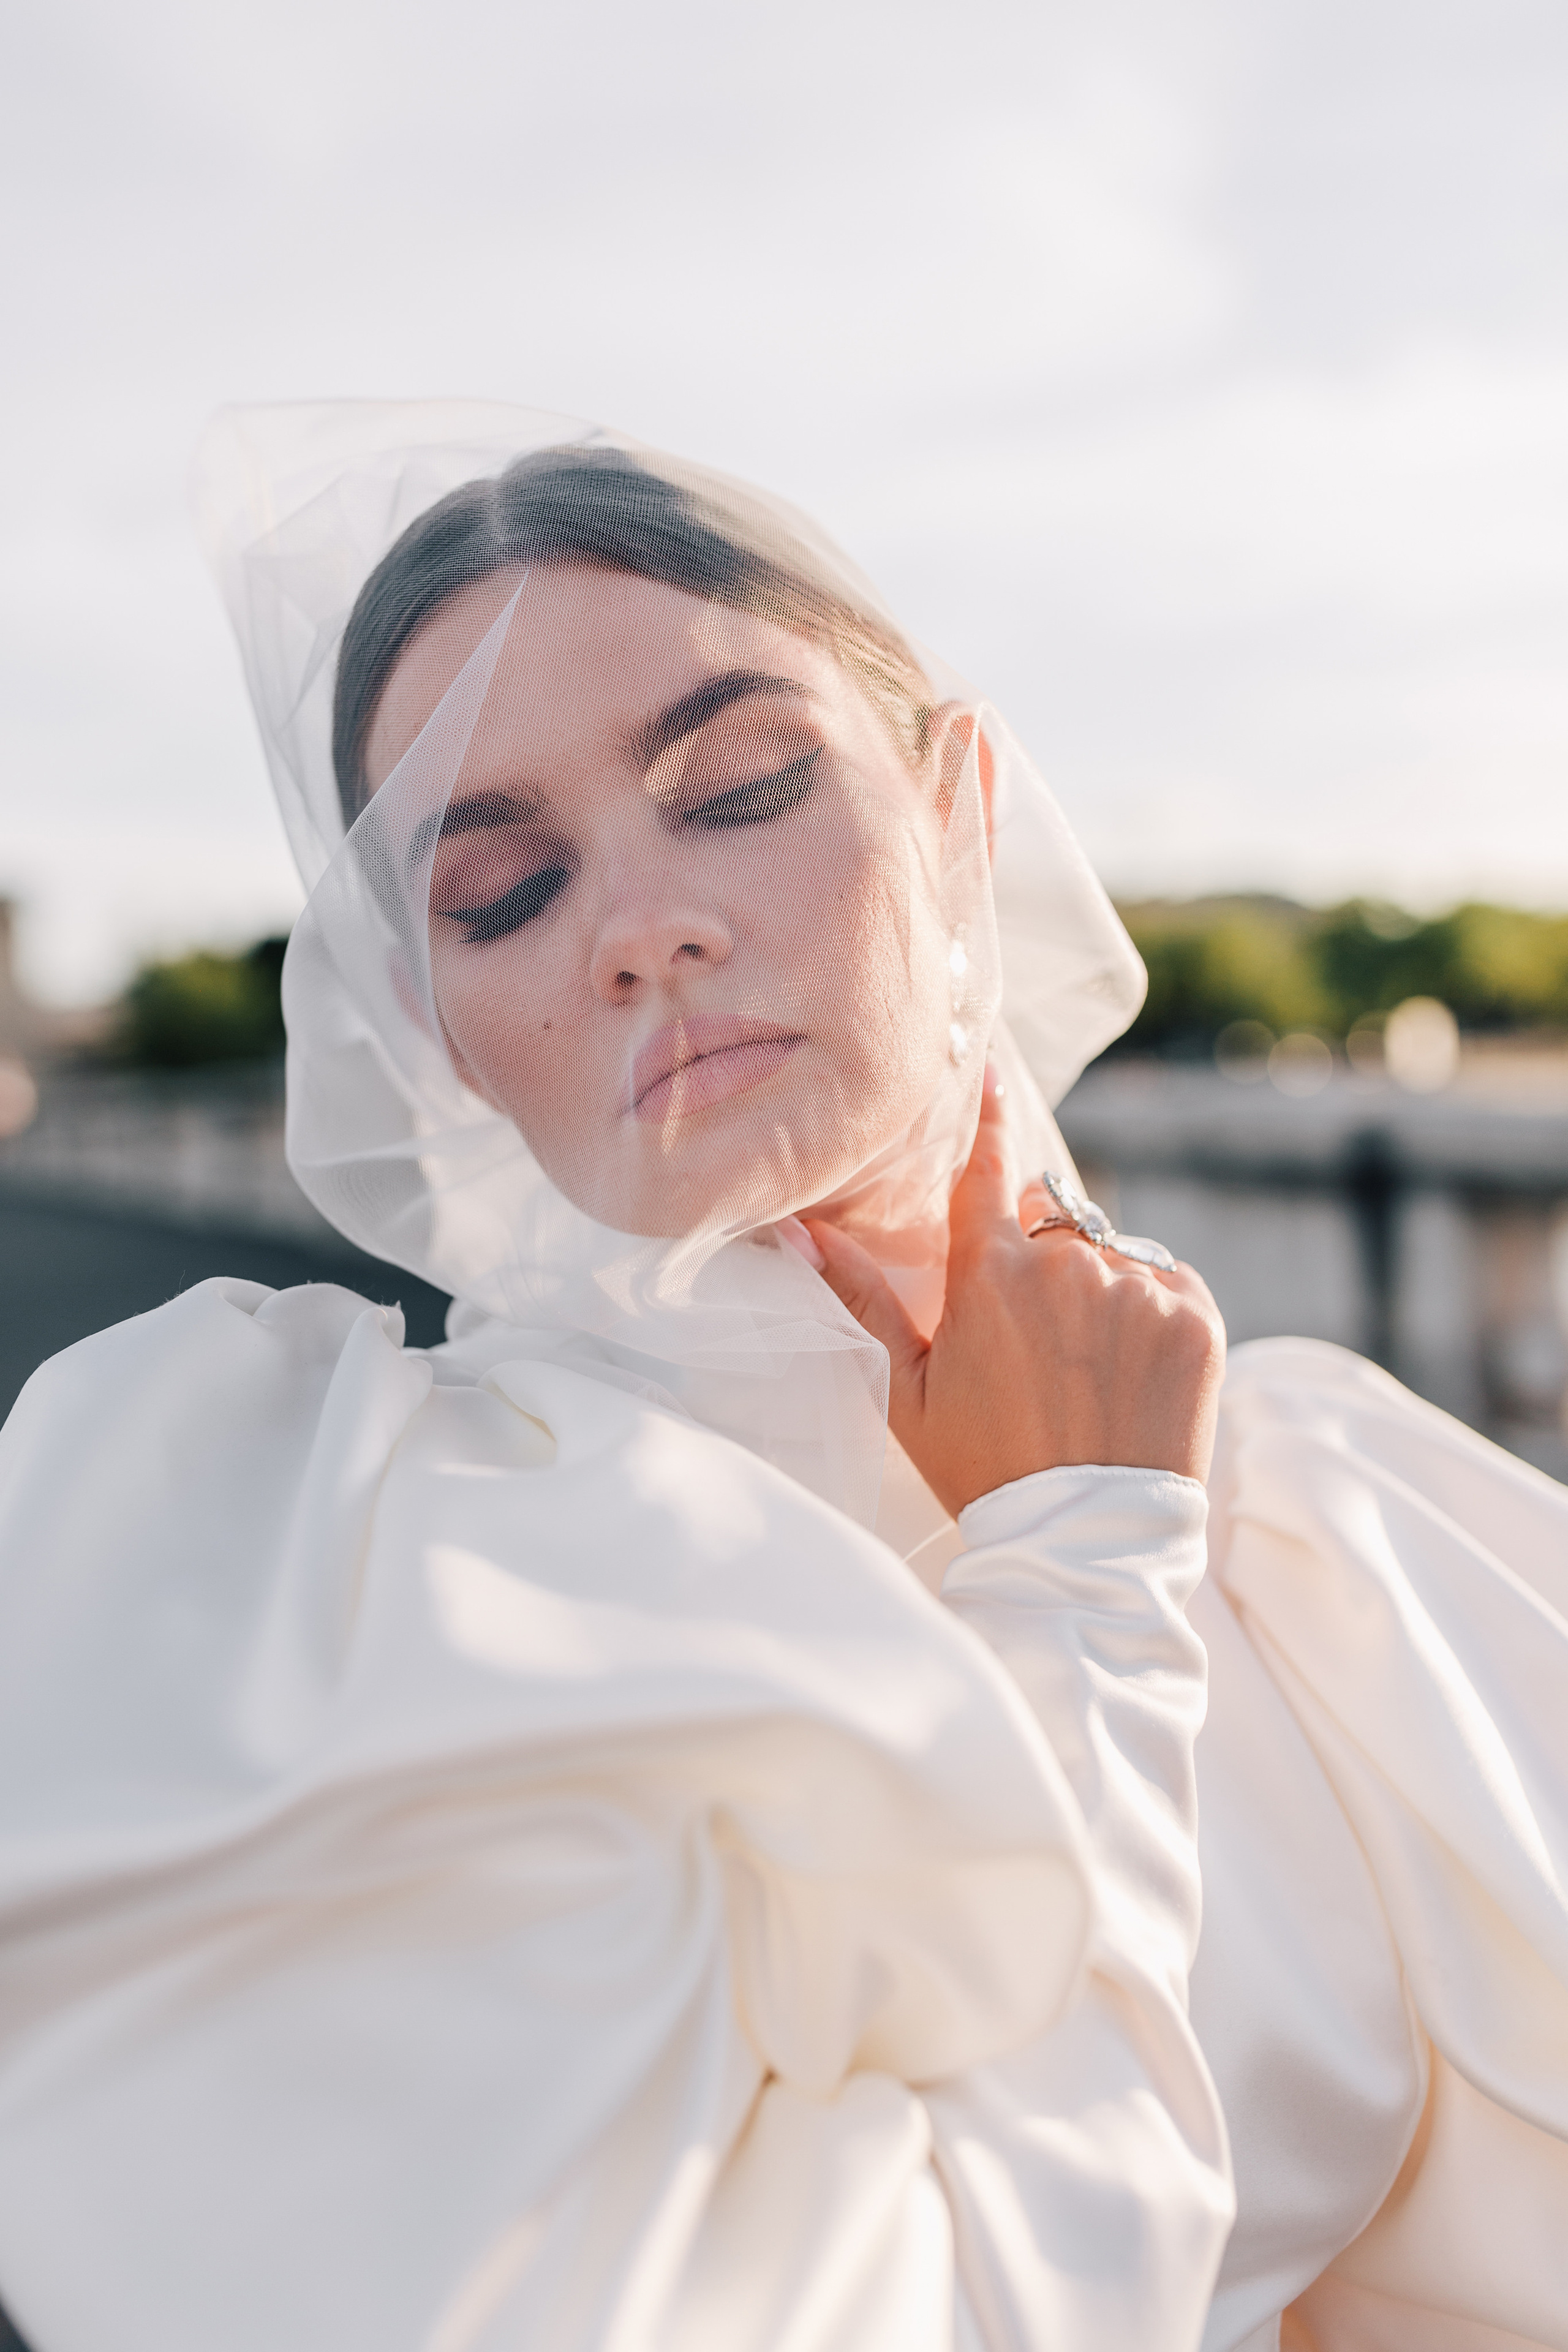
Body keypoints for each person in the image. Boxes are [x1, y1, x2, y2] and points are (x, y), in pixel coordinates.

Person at [0, 405, 1562, 2352]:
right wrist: (1083, 1565)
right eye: (504, 893)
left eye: (738, 783)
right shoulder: (345, 1569)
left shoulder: (1331, 1496)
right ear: (434, 1024)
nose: (646, 926)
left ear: (963, 813)